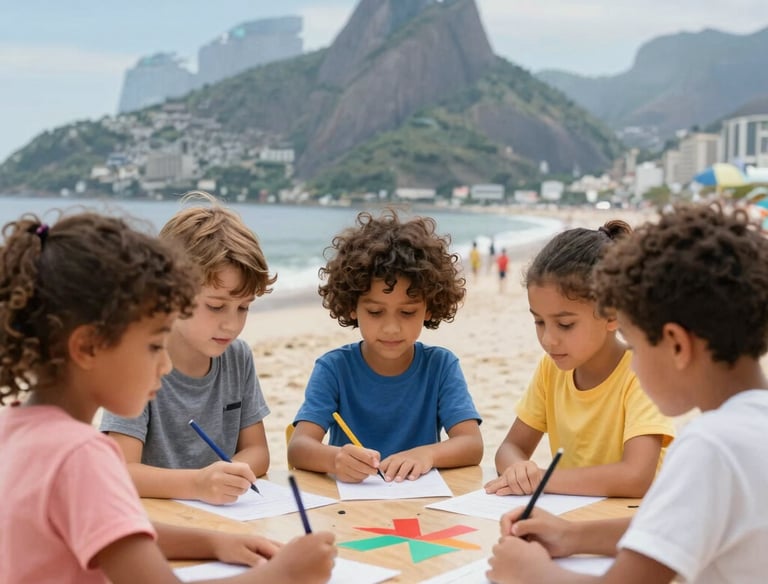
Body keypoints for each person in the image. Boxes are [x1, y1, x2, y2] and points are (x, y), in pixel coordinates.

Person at [0, 212, 336, 583]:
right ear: (88, 347)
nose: (164, 365)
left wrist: (212, 543)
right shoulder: (81, 456)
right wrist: (283, 575)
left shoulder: (15, 429)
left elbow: (118, 529)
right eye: (154, 345)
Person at [486, 204, 768, 584]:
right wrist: (571, 535)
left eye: (634, 345)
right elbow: (671, 527)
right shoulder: (751, 428)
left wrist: (535, 574)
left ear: (676, 346)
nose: (632, 365)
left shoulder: (711, 448)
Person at [101, 192, 276, 504]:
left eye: (243, 308)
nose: (232, 325)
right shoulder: (137, 361)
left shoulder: (238, 356)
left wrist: (226, 477)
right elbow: (121, 471)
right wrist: (199, 483)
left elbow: (259, 451)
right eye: (216, 306)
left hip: (221, 516)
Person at [287, 210, 483, 483]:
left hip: (421, 508)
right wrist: (335, 459)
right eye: (376, 312)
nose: (391, 328)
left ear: (429, 307)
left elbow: (472, 445)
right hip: (350, 509)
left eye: (407, 313)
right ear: (352, 307)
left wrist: (426, 455)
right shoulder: (334, 369)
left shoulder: (440, 367)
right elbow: (299, 448)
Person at [485, 221, 674, 498]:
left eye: (564, 325)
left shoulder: (642, 373)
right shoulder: (551, 370)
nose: (549, 339)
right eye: (539, 321)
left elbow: (636, 477)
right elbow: (509, 448)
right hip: (574, 520)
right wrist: (518, 469)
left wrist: (542, 479)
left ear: (612, 314)